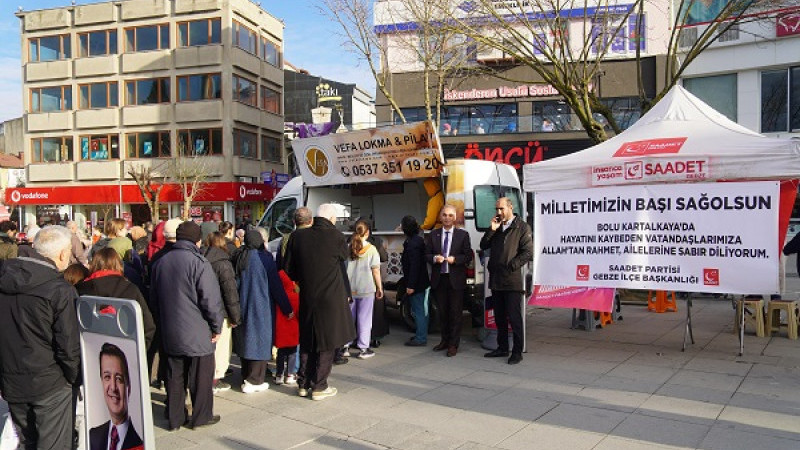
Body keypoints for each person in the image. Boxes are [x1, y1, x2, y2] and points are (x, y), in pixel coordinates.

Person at [0, 225, 81, 449]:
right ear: (63, 254)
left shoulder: (5, 278)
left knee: (28, 442)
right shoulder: (60, 290)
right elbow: (68, 346)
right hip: (50, 383)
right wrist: (75, 378)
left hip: (14, 380)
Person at [150, 221, 224, 430]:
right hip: (198, 331)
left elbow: (154, 299)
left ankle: (174, 418)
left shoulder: (161, 262)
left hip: (171, 329)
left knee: (174, 377)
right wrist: (216, 326)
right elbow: (210, 300)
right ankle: (201, 416)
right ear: (197, 240)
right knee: (201, 377)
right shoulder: (199, 263)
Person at [285, 203, 356, 401]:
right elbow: (344, 258)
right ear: (332, 219)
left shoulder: (297, 236)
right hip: (331, 298)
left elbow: (289, 269)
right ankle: (319, 385)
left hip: (308, 296)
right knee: (327, 341)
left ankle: (303, 383)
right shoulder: (336, 236)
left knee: (307, 339)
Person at [232, 230, 293, 393]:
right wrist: (287, 308)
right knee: (260, 341)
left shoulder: (239, 257)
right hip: (262, 306)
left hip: (242, 304)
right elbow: (276, 287)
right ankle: (255, 380)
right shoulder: (264, 259)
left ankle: (246, 375)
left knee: (246, 339)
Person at [481, 197, 533, 365]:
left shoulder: (522, 227)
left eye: (501, 209)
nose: (498, 212)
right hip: (496, 279)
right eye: (496, 209)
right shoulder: (496, 227)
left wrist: (511, 266)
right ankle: (502, 347)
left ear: (510, 207)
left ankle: (517, 351)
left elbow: (527, 252)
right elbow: (483, 245)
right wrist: (491, 229)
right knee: (500, 317)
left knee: (514, 317)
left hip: (511, 280)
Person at [76, 247, 156, 350]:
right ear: (118, 265)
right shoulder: (130, 289)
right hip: (126, 351)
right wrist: (138, 354)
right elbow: (148, 326)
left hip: (90, 353)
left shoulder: (81, 290)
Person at [424, 204, 473, 357]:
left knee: (455, 313)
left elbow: (468, 256)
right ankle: (444, 341)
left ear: (455, 218)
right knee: (442, 313)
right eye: (444, 215)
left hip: (456, 280)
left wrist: (455, 260)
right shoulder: (433, 235)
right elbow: (426, 255)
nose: (447, 218)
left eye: (450, 215)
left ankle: (453, 344)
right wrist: (434, 258)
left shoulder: (462, 235)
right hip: (440, 280)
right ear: (440, 217)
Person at [203, 232, 241, 394]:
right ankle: (215, 380)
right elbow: (230, 292)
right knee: (222, 348)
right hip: (222, 312)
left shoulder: (201, 259)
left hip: (204, 310)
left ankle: (207, 377)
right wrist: (235, 317)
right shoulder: (224, 263)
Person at [89, 343, 143, 450]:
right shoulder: (94, 435)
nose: (113, 387)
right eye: (107, 377)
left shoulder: (140, 443)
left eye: (119, 379)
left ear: (129, 387)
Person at [343, 220, 383, 359]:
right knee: (364, 319)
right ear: (368, 233)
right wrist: (379, 287)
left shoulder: (349, 247)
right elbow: (376, 270)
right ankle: (363, 348)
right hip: (366, 289)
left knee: (349, 318)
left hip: (350, 289)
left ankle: (345, 347)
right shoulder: (371, 249)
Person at [401, 215, 430, 346]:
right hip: (420, 282)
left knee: (419, 310)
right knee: (421, 309)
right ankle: (420, 333)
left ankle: (421, 338)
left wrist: (411, 285)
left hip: (417, 284)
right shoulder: (416, 241)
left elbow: (414, 266)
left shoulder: (413, 244)